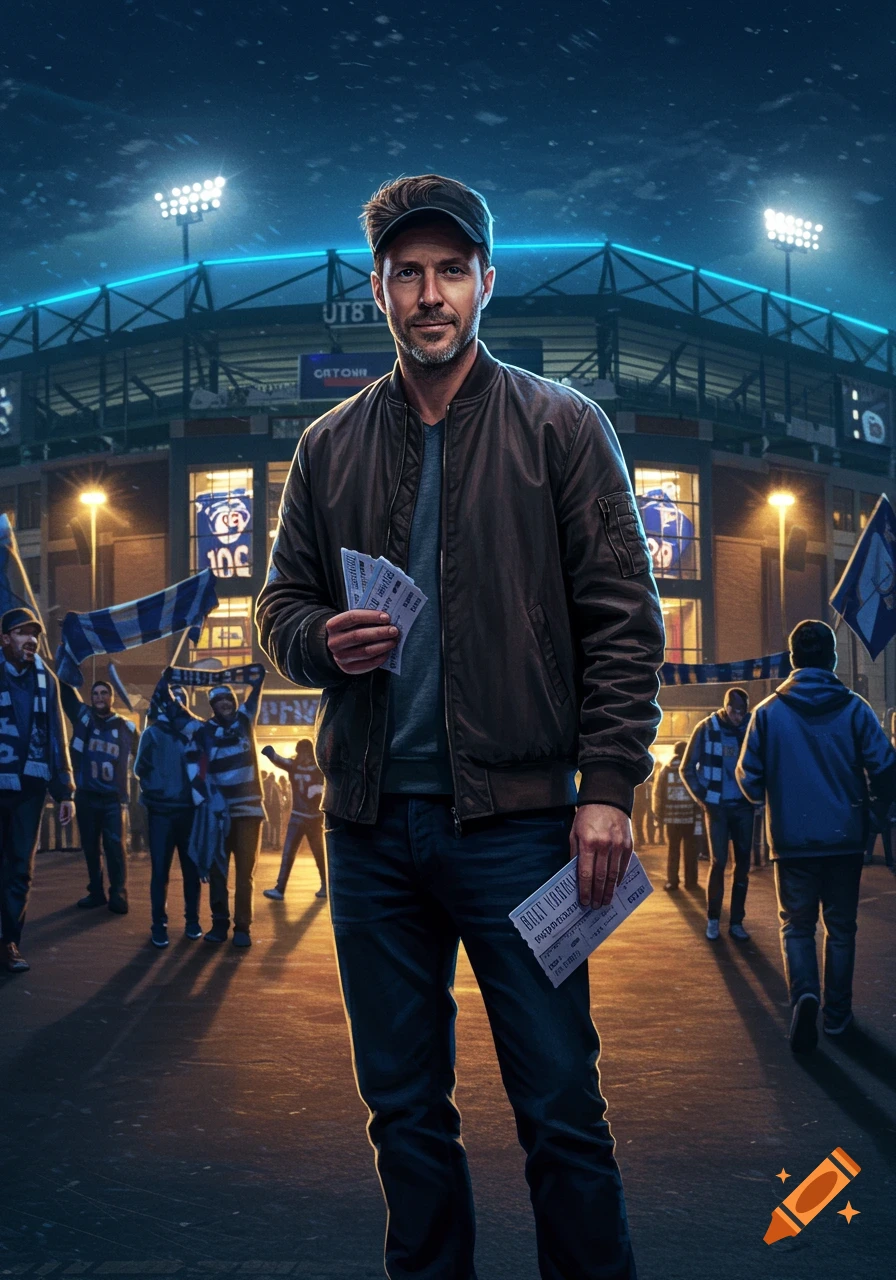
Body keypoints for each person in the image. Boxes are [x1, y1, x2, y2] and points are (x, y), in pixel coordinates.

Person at [257, 174, 664, 1280]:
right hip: (372, 828)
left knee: (559, 1110)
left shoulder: (561, 426)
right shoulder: (327, 446)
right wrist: (314, 640)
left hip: (523, 828)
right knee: (403, 1117)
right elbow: (275, 608)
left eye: (448, 270)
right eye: (406, 273)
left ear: (484, 281)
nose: (428, 293)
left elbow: (623, 622)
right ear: (378, 290)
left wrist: (606, 788)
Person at [737, 620, 896, 1052]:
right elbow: (885, 766)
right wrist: (878, 810)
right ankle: (838, 1018)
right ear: (832, 659)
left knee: (797, 926)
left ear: (792, 659)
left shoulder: (767, 713)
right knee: (841, 929)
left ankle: (804, 993)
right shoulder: (856, 709)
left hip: (790, 842)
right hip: (846, 837)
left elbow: (748, 780)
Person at [0, 609, 74, 973]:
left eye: (35, 635)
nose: (30, 640)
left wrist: (65, 791)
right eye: (21, 633)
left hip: (29, 789)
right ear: (4, 639)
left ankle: (9, 942)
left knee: (19, 870)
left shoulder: (48, 680)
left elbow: (57, 737)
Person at [187, 672, 266, 948]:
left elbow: (256, 689)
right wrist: (206, 800)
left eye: (229, 698)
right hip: (218, 814)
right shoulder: (203, 732)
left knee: (245, 873)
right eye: (219, 700)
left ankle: (242, 927)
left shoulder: (245, 720)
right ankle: (219, 924)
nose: (225, 703)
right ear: (212, 706)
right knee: (218, 871)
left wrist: (256, 677)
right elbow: (195, 768)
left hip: (249, 812)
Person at [133, 680, 204, 947]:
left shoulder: (194, 733)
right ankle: (158, 924)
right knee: (160, 871)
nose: (175, 703)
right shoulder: (151, 734)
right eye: (171, 698)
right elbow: (140, 769)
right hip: (161, 813)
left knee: (191, 870)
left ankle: (192, 920)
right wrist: (159, 791)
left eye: (180, 699)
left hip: (188, 812)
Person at [681, 686, 755, 941]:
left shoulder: (750, 727)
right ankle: (714, 919)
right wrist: (704, 798)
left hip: (743, 805)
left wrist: (757, 794)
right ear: (726, 707)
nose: (738, 717)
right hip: (718, 807)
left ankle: (736, 922)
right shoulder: (707, 727)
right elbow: (686, 767)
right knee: (719, 862)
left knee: (743, 865)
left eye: (742, 713)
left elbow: (763, 762)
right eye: (735, 712)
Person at [60, 676, 138, 914]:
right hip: (86, 794)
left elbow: (145, 755)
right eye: (96, 693)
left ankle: (118, 893)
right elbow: (66, 694)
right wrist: (67, 662)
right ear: (91, 698)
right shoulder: (84, 718)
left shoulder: (126, 727)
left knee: (115, 847)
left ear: (112, 697)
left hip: (112, 798)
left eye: (104, 693)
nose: (100, 697)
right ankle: (96, 891)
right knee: (91, 847)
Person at [261, 738, 326, 900]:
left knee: (318, 854)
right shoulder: (301, 767)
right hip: (302, 818)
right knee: (289, 853)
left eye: (303, 752)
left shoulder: (312, 768)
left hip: (311, 819)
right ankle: (280, 889)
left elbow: (278, 760)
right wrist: (270, 754)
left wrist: (270, 753)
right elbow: (278, 759)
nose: (301, 755)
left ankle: (325, 885)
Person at [654, 740, 700, 891]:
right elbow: (698, 792)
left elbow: (658, 792)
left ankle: (672, 881)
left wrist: (659, 815)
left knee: (673, 850)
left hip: (671, 818)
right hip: (690, 818)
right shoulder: (693, 769)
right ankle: (691, 881)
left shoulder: (666, 770)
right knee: (691, 851)